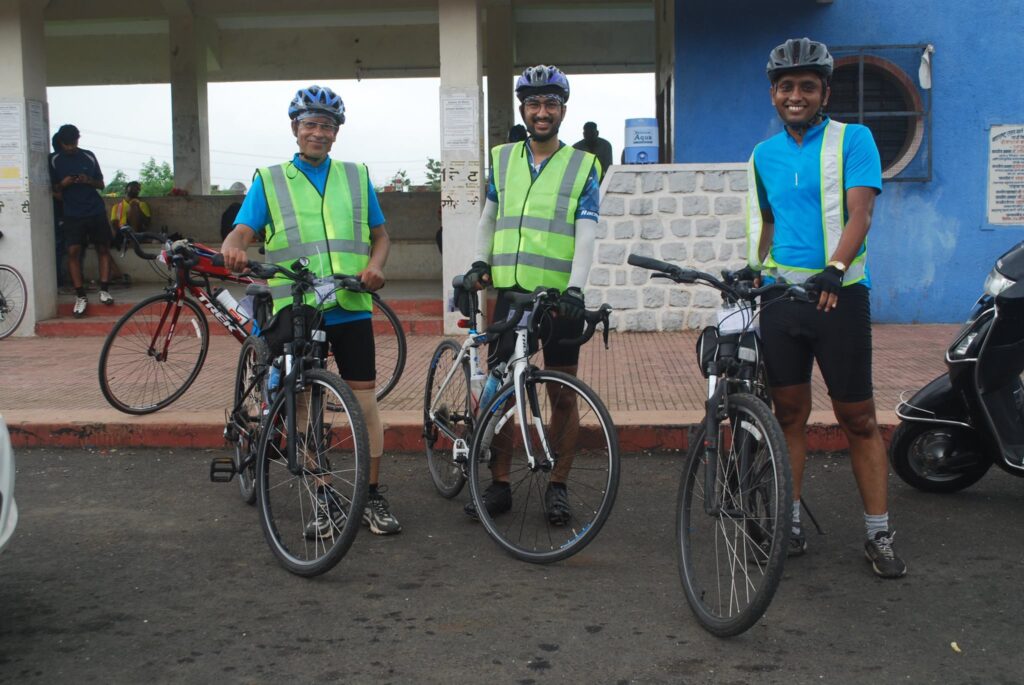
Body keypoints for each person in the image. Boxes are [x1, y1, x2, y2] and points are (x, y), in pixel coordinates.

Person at [745, 38, 906, 578]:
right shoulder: (762, 155)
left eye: (807, 87)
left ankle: (878, 534)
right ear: (773, 95)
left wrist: (834, 269)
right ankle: (788, 525)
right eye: (786, 87)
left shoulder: (854, 140)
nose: (796, 95)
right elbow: (767, 221)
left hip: (839, 296)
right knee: (789, 414)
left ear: (824, 93)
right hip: (781, 304)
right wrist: (754, 265)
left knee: (857, 418)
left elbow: (861, 215)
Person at [220, 85, 400, 536]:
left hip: (350, 303)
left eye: (327, 126)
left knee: (364, 403)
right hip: (296, 308)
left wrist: (376, 266)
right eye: (310, 125)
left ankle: (372, 495)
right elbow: (242, 232)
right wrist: (232, 247)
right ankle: (323, 496)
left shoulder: (356, 176)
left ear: (337, 133)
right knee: (303, 405)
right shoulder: (271, 179)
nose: (318, 133)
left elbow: (380, 235)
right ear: (295, 129)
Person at [463, 65, 601, 524]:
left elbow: (586, 232)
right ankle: (499, 481)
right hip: (511, 294)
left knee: (562, 395)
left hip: (560, 298)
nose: (542, 112)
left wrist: (577, 289)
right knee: (502, 389)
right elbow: (488, 217)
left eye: (551, 104)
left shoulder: (583, 165)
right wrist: (480, 262)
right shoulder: (502, 159)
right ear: (523, 109)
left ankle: (557, 485)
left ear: (563, 110)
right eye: (534, 104)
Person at [49, 124, 114, 316]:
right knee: (73, 251)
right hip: (72, 213)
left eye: (74, 143)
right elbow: (51, 189)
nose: (71, 147)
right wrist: (63, 184)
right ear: (61, 142)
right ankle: (80, 295)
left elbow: (101, 184)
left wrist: (88, 180)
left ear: (79, 139)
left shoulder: (89, 156)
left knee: (103, 248)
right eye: (67, 144)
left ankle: (104, 290)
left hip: (95, 210)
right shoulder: (54, 160)